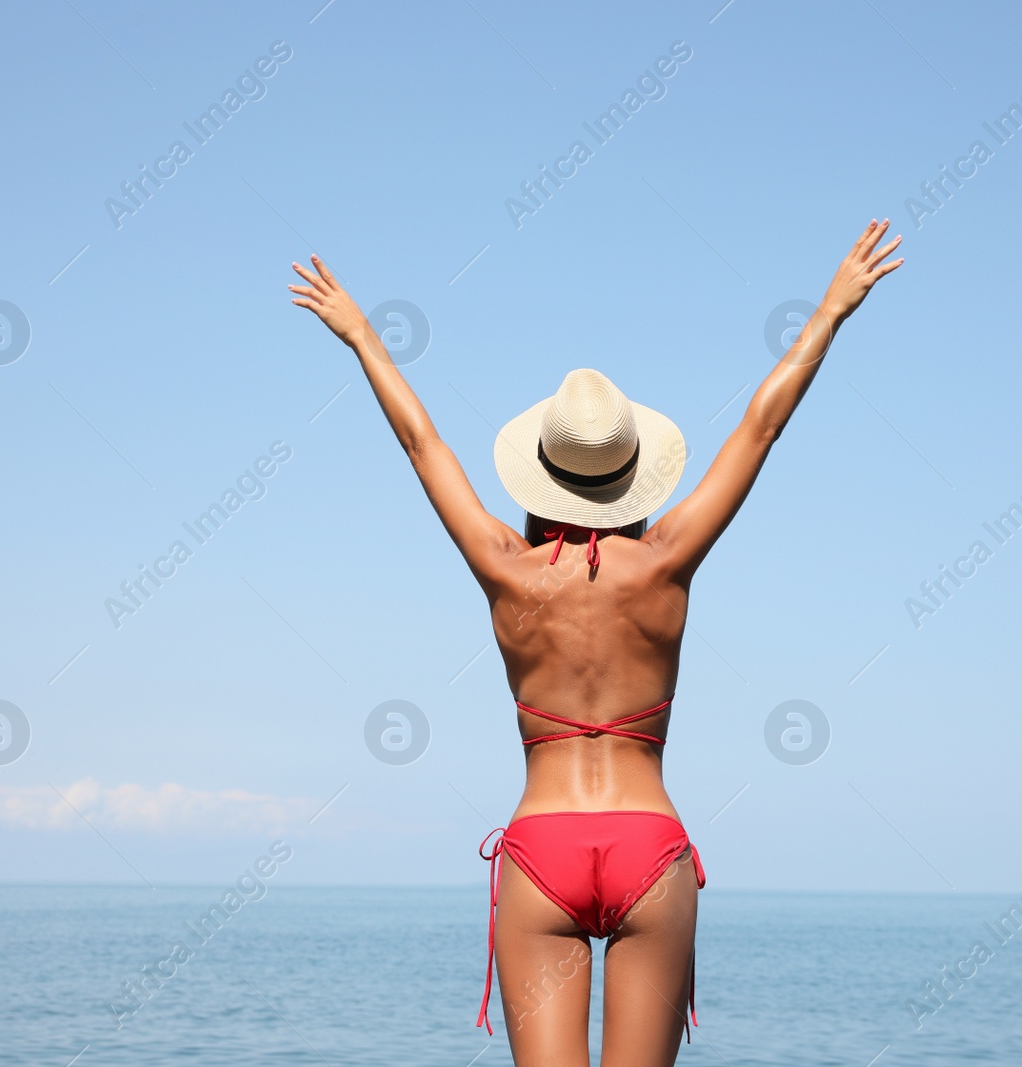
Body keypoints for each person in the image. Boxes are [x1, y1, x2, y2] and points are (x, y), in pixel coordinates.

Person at [288, 219, 903, 1066]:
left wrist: (361, 335)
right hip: (651, 847)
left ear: (541, 471)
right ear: (633, 475)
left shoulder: (506, 568)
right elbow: (759, 429)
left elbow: (420, 443)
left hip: (543, 849)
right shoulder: (665, 561)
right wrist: (831, 308)